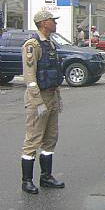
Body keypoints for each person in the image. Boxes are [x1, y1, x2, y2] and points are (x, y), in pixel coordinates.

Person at [20, 10, 65, 194]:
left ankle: (46, 176)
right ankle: (27, 181)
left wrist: (58, 99)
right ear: (44, 23)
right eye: (52, 21)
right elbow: (30, 78)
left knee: (50, 139)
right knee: (33, 140)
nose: (55, 23)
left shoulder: (50, 44)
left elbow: (54, 73)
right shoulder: (33, 46)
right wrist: (39, 103)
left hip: (52, 95)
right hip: (38, 97)